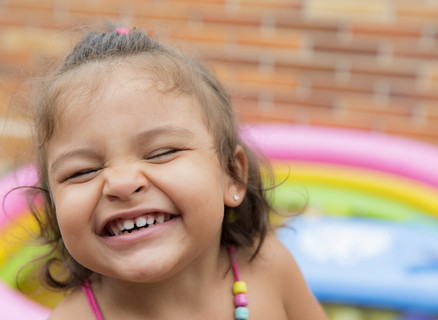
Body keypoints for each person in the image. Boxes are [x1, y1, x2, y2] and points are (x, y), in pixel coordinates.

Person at [26, 25, 328, 319]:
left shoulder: (270, 270)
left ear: (232, 175)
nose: (121, 183)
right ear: (53, 208)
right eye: (82, 171)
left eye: (161, 153)